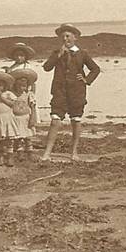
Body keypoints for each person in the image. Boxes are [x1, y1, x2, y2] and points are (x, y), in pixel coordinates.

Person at [41, 24, 101, 161]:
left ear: (75, 37)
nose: (65, 39)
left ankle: (74, 153)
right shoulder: (57, 53)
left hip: (77, 92)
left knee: (76, 121)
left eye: (68, 36)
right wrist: (59, 55)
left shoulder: (82, 53)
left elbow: (96, 69)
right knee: (55, 121)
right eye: (62, 37)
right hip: (59, 91)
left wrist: (86, 80)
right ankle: (47, 153)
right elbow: (46, 68)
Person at [9, 68, 38, 160]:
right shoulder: (12, 95)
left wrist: (33, 118)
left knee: (27, 137)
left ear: (27, 86)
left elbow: (33, 107)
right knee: (17, 136)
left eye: (24, 86)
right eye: (19, 86)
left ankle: (30, 151)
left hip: (26, 118)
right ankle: (19, 151)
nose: (22, 88)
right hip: (16, 118)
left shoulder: (29, 95)